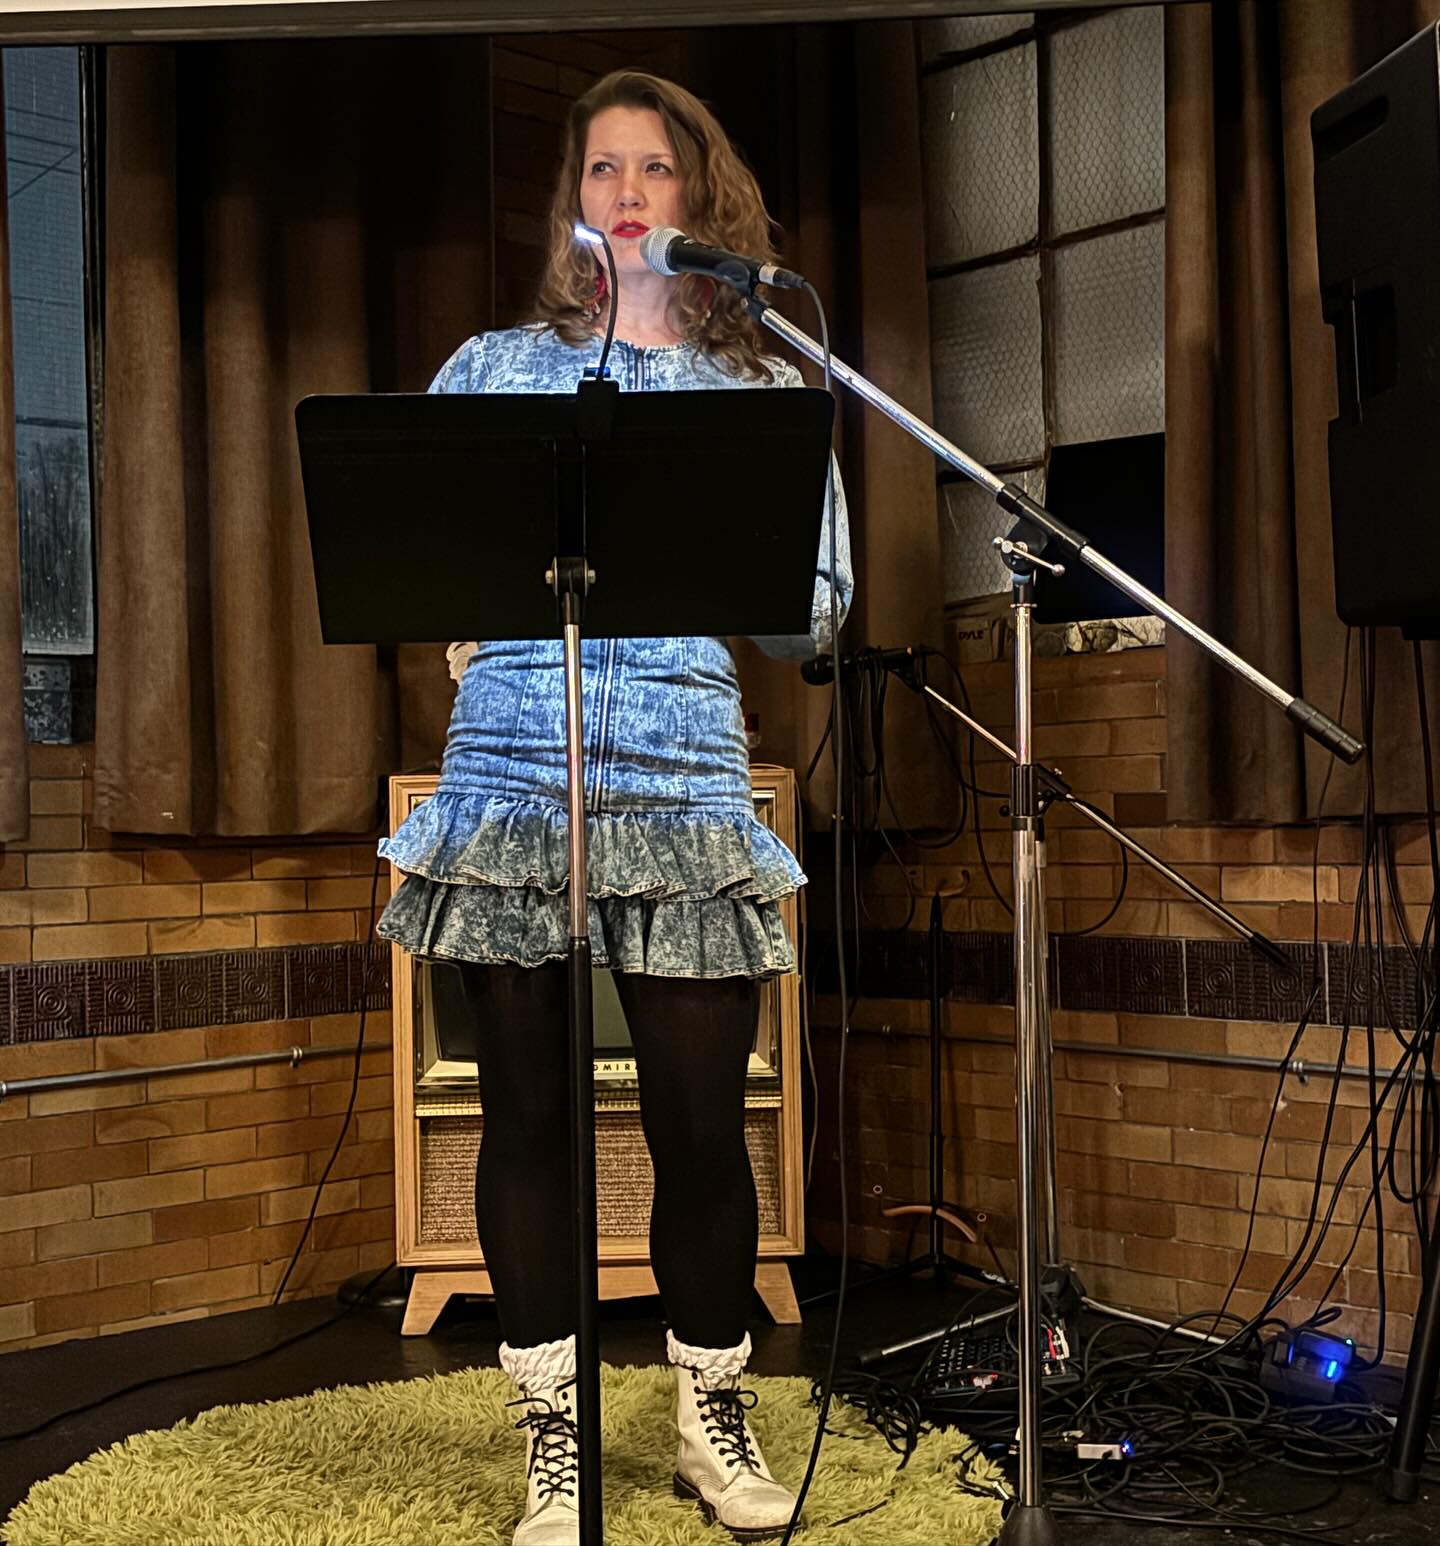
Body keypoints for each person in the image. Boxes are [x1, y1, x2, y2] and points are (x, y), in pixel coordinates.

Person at [378, 68, 851, 1546]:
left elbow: (820, 612)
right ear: (571, 201)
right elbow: (423, 568)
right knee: (528, 1119)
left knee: (703, 1123)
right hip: (515, 785)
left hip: (688, 791)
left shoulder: (763, 380)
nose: (630, 192)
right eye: (602, 169)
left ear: (701, 199)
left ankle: (713, 1413)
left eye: (657, 168)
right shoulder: (491, 367)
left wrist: (766, 561)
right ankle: (554, 1441)